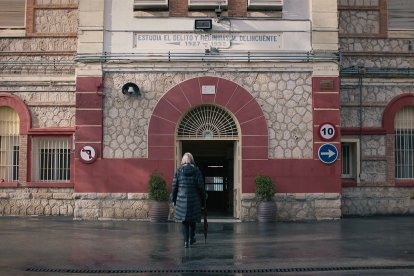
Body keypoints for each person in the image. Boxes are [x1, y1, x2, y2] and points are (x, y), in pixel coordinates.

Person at [172, 152, 205, 248]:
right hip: (194, 200)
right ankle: (192, 238)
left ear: (183, 160)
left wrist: (174, 199)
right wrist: (203, 196)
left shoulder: (178, 171)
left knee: (185, 221)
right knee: (192, 220)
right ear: (192, 160)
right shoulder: (197, 171)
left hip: (181, 200)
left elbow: (174, 186)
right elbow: (200, 186)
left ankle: (186, 241)